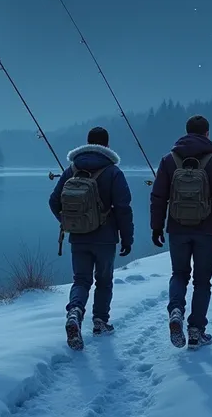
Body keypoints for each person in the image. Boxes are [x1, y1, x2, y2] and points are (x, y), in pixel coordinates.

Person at [149, 115, 212, 350]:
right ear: (207, 134)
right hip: (206, 230)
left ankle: (176, 310)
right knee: (202, 282)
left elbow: (158, 197)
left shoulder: (169, 161)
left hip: (177, 228)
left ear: (186, 132)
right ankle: (196, 330)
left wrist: (156, 226)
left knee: (179, 274)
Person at [49, 126, 134, 351]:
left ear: (87, 142)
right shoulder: (113, 172)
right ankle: (100, 321)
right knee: (104, 281)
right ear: (106, 145)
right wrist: (127, 238)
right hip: (105, 239)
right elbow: (123, 208)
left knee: (81, 280)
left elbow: (53, 201)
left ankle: (75, 312)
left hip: (78, 237)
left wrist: (67, 221)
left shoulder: (72, 169)